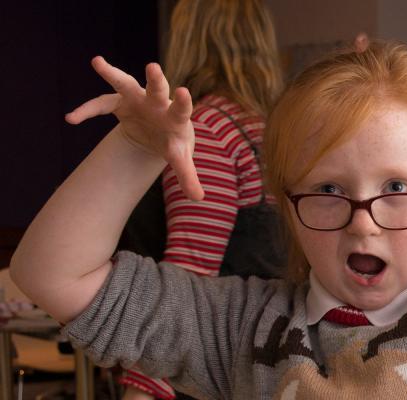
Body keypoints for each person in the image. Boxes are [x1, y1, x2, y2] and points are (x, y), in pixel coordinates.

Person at [10, 41, 407, 399]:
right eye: (327, 189)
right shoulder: (241, 325)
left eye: (397, 188)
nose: (365, 224)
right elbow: (51, 275)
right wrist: (133, 151)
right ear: (285, 204)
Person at [115, 1, 286, 397]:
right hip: (272, 363)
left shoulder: (208, 130)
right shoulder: (272, 132)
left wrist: (140, 391)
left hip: (214, 370)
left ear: (187, 39)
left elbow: (187, 279)